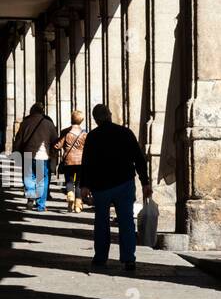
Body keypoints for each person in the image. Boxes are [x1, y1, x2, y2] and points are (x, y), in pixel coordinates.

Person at [79, 104, 152, 274]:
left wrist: (84, 185)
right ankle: (128, 259)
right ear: (110, 115)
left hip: (101, 186)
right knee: (126, 222)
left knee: (101, 222)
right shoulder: (125, 133)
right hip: (124, 184)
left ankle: (100, 257)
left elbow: (87, 162)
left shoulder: (93, 136)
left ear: (95, 119)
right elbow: (139, 159)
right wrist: (145, 182)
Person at [11, 102, 58, 211]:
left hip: (27, 153)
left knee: (28, 176)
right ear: (42, 112)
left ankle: (31, 196)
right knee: (41, 179)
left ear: (31, 111)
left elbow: (19, 139)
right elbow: (55, 140)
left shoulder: (25, 122)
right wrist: (53, 154)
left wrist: (16, 151)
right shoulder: (48, 123)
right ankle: (41, 204)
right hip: (42, 155)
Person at [52, 109, 88, 213]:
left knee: (69, 181)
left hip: (68, 161)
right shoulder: (84, 134)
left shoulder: (65, 132)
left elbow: (57, 145)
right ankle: (77, 205)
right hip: (81, 162)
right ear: (81, 120)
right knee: (78, 183)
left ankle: (70, 195)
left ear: (72, 119)